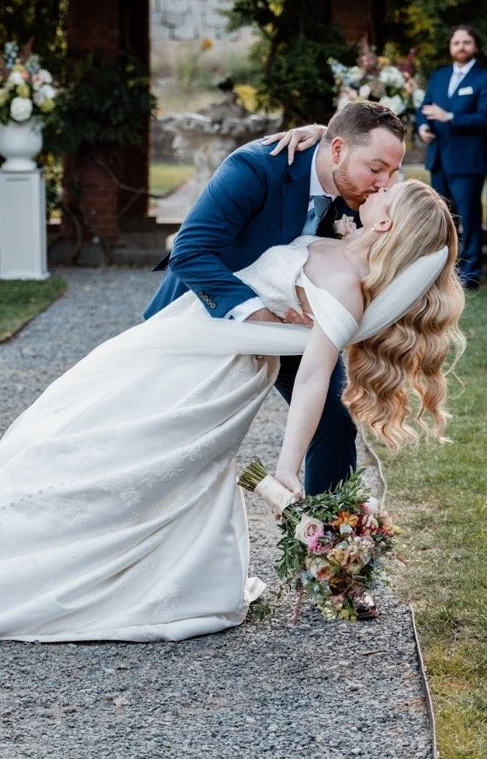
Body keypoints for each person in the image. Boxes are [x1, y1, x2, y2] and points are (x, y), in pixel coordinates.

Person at [0, 179, 464, 643]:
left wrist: (283, 474)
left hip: (199, 380)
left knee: (104, 460)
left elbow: (312, 381)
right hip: (179, 348)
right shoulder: (337, 237)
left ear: (388, 229)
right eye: (385, 177)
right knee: (64, 430)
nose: (380, 187)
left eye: (389, 194)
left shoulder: (344, 286)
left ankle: (16, 557)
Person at [145, 101, 407, 494]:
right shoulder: (255, 167)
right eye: (375, 169)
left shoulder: (359, 192)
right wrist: (260, 321)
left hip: (292, 326)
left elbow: (411, 210)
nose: (384, 183)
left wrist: (319, 128)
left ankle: (326, 542)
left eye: (391, 172)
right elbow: (190, 252)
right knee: (171, 441)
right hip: (207, 314)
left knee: (333, 422)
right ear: (337, 150)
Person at [416, 24, 487, 290]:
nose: (460, 47)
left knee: (469, 217)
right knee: (441, 219)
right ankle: (443, 273)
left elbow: (486, 117)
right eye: (456, 42)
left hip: (468, 161)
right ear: (451, 47)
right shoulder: (439, 76)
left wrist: (449, 117)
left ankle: (471, 273)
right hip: (438, 157)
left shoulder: (485, 79)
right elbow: (424, 108)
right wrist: (422, 126)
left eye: (466, 42)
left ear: (475, 46)